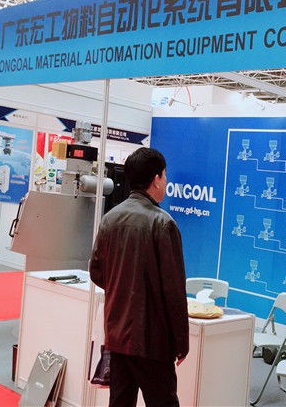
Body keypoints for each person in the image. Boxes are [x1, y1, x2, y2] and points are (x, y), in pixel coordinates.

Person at [89, 147, 189, 407]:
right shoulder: (163, 223)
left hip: (117, 334)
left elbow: (96, 272)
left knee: (120, 402)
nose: (166, 181)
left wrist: (122, 288)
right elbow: (173, 291)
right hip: (152, 340)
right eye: (164, 175)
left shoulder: (110, 218)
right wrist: (181, 341)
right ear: (156, 179)